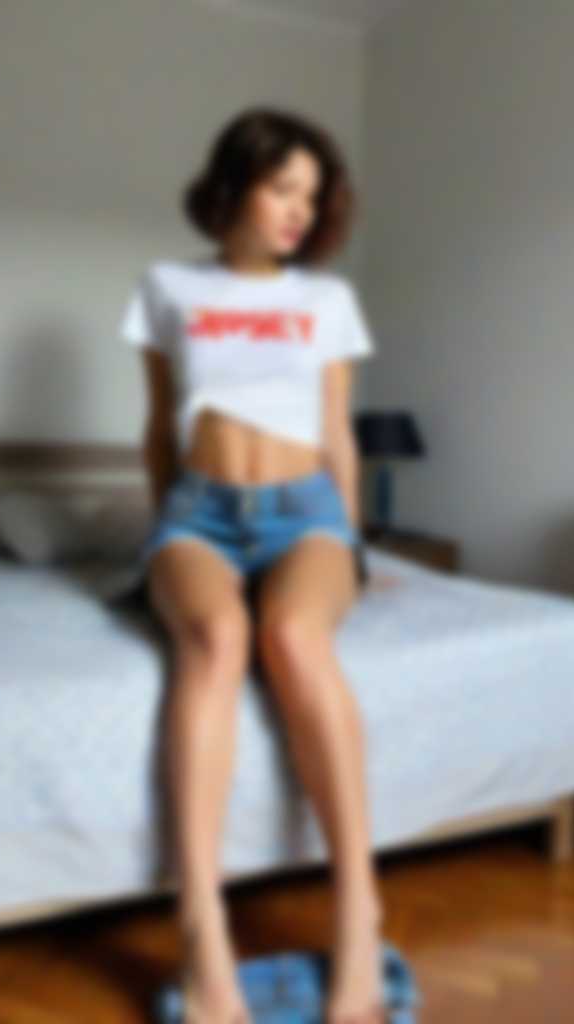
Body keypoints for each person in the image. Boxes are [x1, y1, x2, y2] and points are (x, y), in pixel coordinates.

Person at [118, 106, 386, 1023]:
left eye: (313, 196)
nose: (300, 211)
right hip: (197, 514)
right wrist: (166, 535)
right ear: (233, 186)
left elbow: (338, 433)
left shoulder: (328, 299)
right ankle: (203, 929)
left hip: (306, 514)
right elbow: (159, 428)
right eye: (282, 189)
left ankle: (359, 917)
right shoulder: (166, 287)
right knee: (215, 637)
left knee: (294, 637)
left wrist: (352, 545)